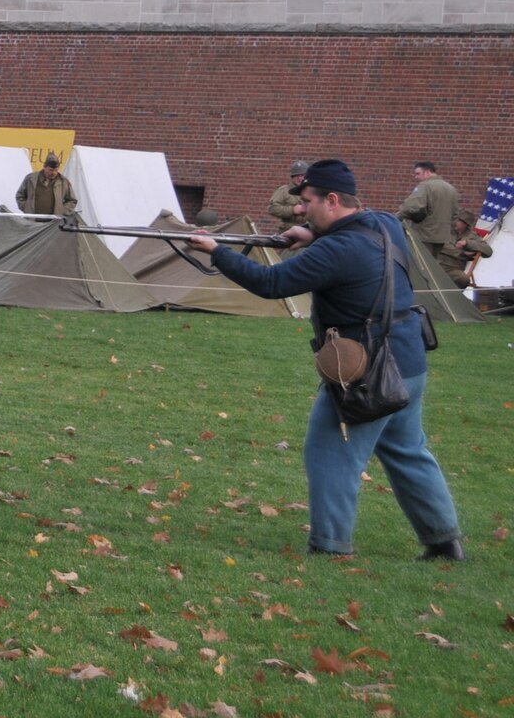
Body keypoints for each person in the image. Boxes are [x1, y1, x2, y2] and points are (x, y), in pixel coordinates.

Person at [189, 159, 462, 561]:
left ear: (333, 200)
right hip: (409, 357)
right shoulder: (386, 223)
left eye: (308, 202)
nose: (300, 209)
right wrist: (313, 230)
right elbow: (340, 233)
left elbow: (272, 283)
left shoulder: (340, 248)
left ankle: (329, 546)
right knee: (408, 450)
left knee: (330, 450)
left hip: (370, 367)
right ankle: (445, 543)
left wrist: (218, 252)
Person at [399, 161, 462, 282]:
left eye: (418, 173)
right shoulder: (451, 189)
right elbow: (455, 214)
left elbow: (411, 206)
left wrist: (396, 217)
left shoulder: (425, 186)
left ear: (427, 172)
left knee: (418, 270)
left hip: (423, 235)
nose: (416, 177)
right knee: (432, 270)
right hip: (442, 237)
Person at [14, 152, 78, 219]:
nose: (53, 173)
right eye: (51, 170)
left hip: (53, 222)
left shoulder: (64, 182)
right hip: (32, 220)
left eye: (56, 170)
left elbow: (72, 200)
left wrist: (62, 211)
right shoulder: (31, 179)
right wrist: (26, 208)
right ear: (44, 167)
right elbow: (20, 195)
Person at [268, 160, 310, 233]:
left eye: (302, 175)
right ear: (292, 177)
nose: (300, 178)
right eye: (297, 175)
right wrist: (292, 210)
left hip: (308, 230)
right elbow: (272, 208)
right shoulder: (283, 191)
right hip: (287, 231)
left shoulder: (312, 191)